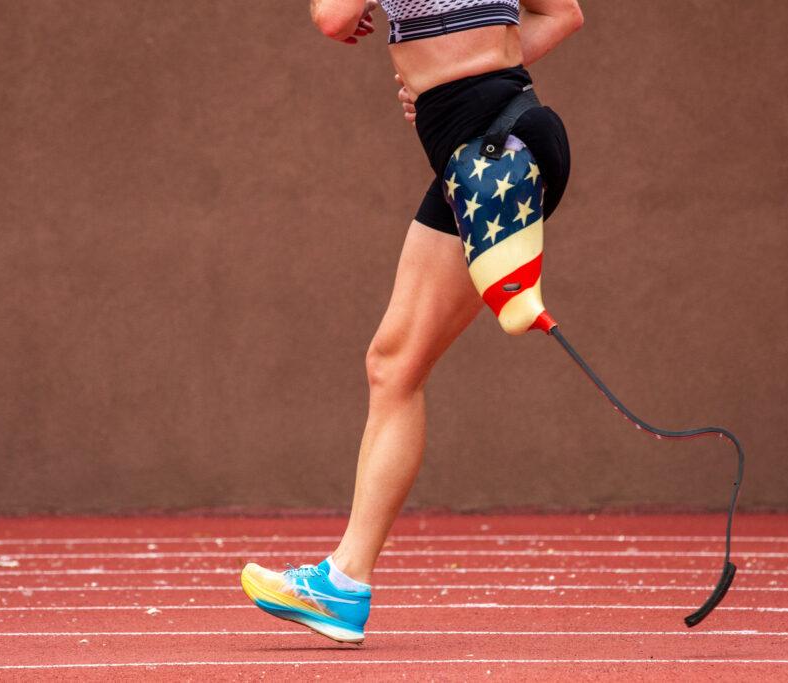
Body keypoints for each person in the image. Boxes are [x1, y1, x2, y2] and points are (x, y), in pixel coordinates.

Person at [240, 0, 584, 644]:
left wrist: (456, 80)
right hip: (493, 138)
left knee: (397, 368)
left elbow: (332, 19)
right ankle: (341, 585)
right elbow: (564, 15)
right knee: (391, 363)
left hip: (495, 151)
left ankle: (343, 586)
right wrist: (456, 78)